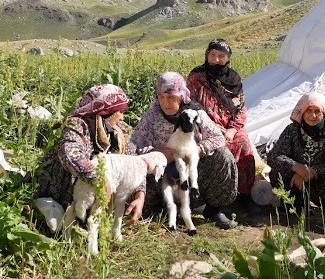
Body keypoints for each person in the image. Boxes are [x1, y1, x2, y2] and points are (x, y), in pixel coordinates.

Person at [131, 71, 239, 230]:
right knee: (138, 163)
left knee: (223, 156)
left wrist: (197, 150)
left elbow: (218, 137)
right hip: (163, 172)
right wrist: (157, 152)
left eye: (171, 98)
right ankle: (156, 207)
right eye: (161, 97)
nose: (165, 103)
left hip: (191, 170)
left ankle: (213, 211)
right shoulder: (151, 116)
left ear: (181, 96)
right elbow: (135, 145)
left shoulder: (194, 113)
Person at [35, 84, 144, 225]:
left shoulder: (118, 131)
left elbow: (134, 161)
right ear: (107, 111)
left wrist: (139, 195)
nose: (122, 118)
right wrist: (100, 180)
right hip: (65, 189)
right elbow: (70, 153)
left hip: (93, 193)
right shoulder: (77, 125)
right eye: (120, 112)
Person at [187, 39, 259, 213]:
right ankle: (218, 198)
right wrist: (212, 126)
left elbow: (240, 108)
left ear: (228, 58)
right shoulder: (196, 77)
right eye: (213, 55)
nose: (217, 59)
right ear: (207, 56)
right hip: (204, 126)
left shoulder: (233, 79)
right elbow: (190, 104)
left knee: (244, 146)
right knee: (219, 151)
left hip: (231, 128)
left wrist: (233, 129)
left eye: (221, 56)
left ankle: (243, 195)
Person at [267, 92, 325, 210]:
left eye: (317, 111)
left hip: (319, 182)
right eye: (309, 111)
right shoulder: (292, 130)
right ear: (302, 112)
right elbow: (274, 156)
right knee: (276, 172)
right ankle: (295, 202)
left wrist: (309, 173)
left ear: (324, 113)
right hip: (295, 181)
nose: (313, 115)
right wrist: (296, 167)